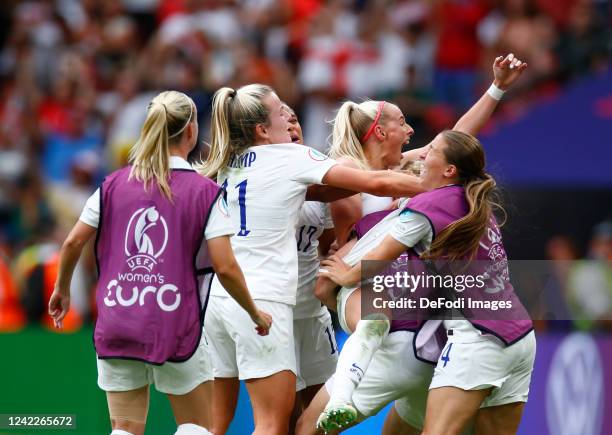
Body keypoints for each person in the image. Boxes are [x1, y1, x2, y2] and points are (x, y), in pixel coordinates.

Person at [300, 53, 529, 434]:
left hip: (408, 311)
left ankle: (343, 394)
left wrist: (496, 89)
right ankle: (343, 395)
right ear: (379, 132)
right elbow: (354, 203)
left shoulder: (404, 170)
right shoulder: (350, 172)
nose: (411, 132)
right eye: (402, 123)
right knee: (372, 323)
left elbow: (456, 140)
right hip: (359, 282)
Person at [198, 83, 427, 435]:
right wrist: (440, 189)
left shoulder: (228, 164)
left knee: (215, 425)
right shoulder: (291, 158)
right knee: (273, 424)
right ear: (262, 129)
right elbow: (376, 183)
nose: (291, 118)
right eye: (281, 113)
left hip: (219, 300)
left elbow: (341, 188)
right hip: (264, 299)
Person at [48, 90, 272, 435]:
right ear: (190, 132)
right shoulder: (205, 192)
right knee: (197, 426)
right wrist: (254, 312)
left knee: (123, 428)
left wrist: (62, 289)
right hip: (175, 325)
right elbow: (225, 267)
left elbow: (73, 241)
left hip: (118, 319)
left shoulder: (112, 185)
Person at [285, 104, 339, 429]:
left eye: (296, 120)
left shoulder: (319, 177)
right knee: (282, 421)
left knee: (324, 419)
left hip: (313, 315)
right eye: (284, 120)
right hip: (277, 317)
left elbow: (329, 244)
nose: (293, 126)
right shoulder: (258, 178)